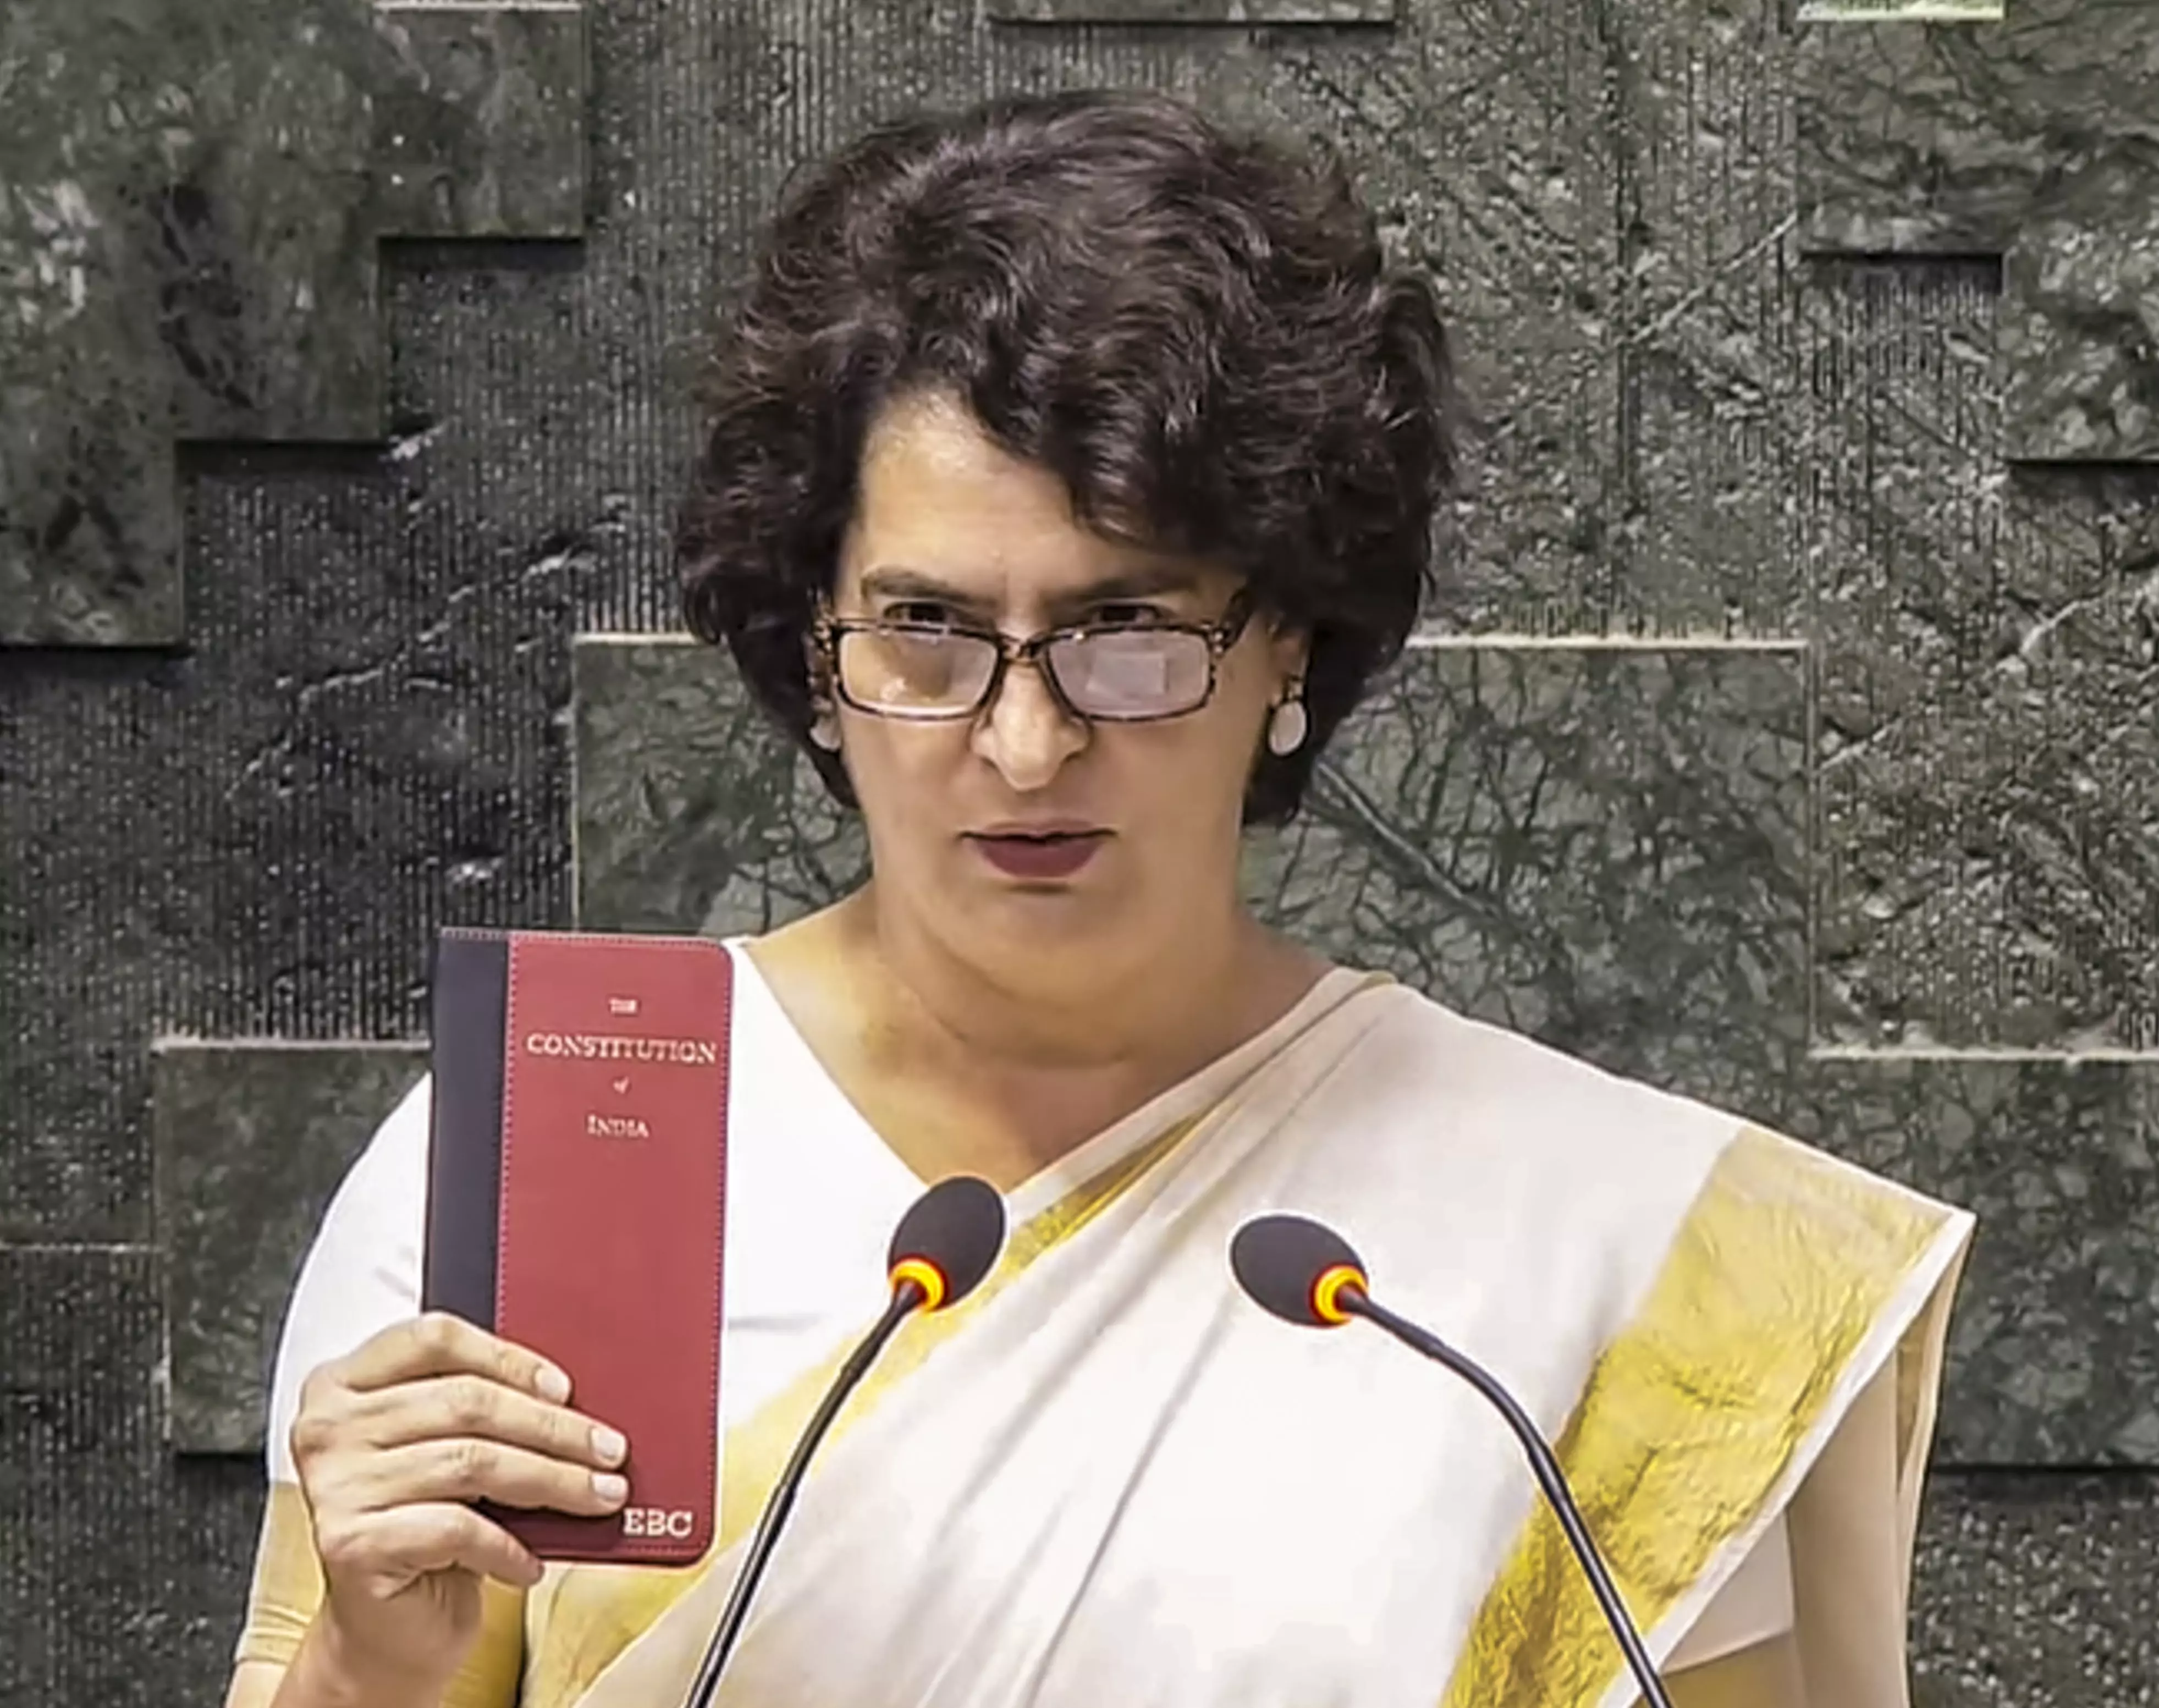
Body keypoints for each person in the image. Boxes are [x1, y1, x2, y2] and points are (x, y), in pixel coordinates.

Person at [224, 87, 1973, 1708]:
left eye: (1124, 630)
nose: (1027, 739)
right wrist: (377, 1670)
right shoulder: (562, 1147)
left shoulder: (1621, 1256)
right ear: (816, 658)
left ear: (1286, 635)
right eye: (926, 631)